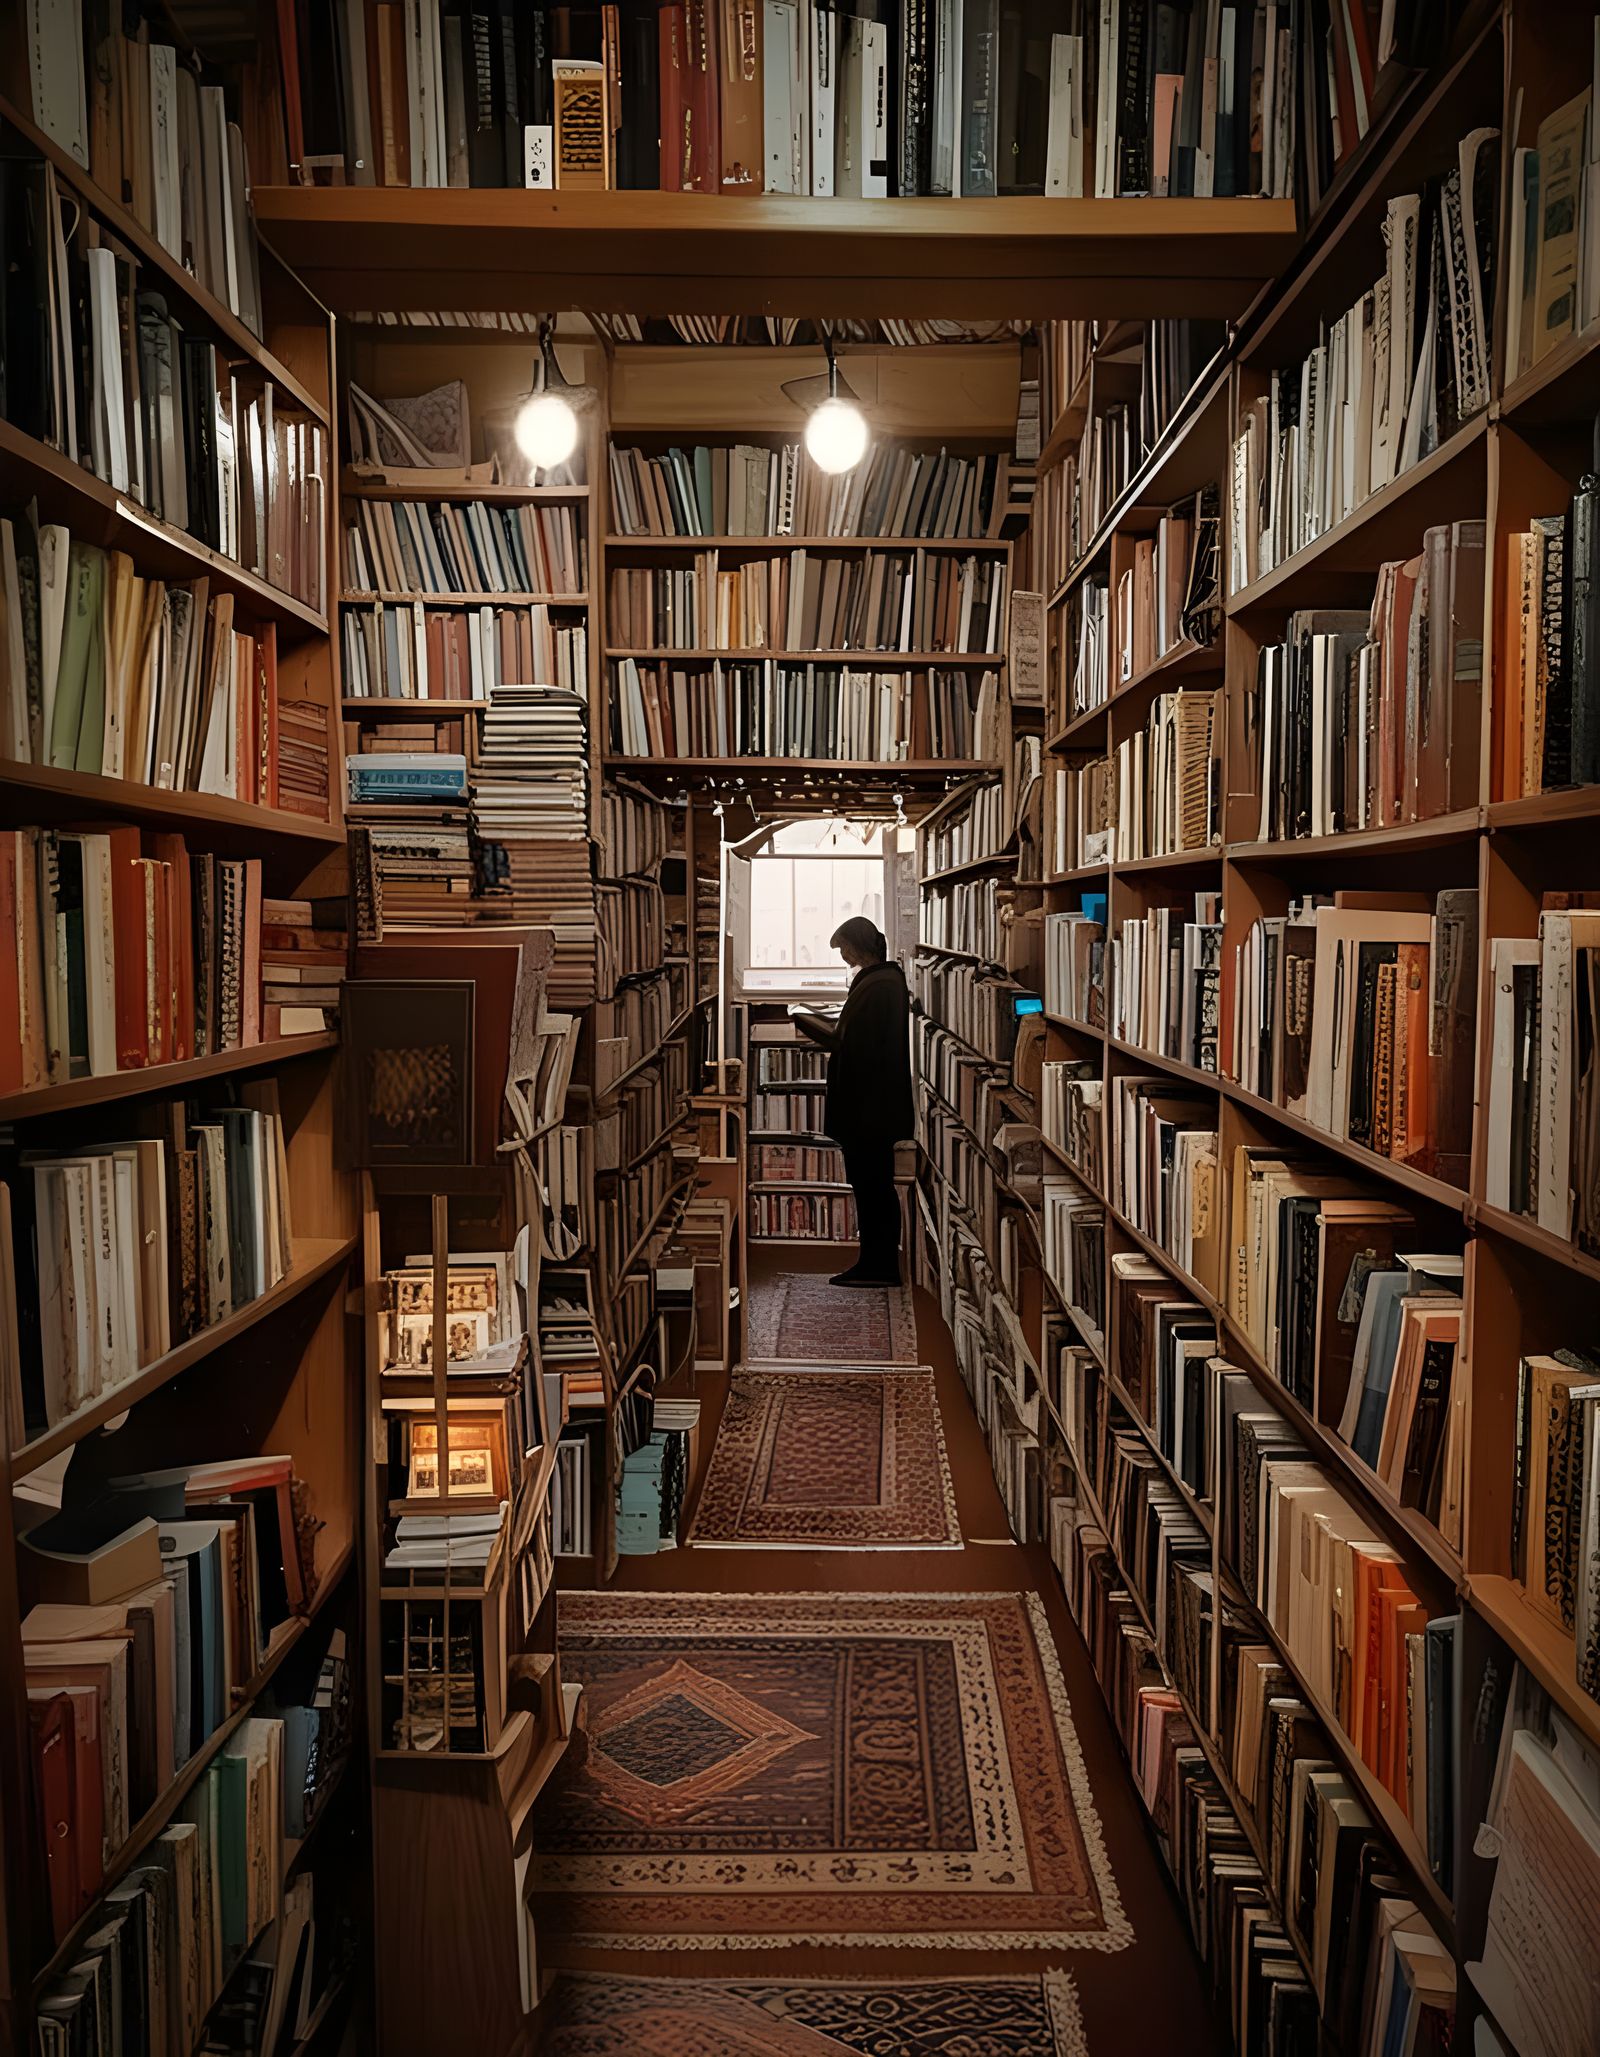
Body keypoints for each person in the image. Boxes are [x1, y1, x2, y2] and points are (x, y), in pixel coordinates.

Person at [791, 915, 914, 1287]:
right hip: (875, 1108)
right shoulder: (884, 980)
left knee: (871, 1188)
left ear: (858, 945)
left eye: (844, 948)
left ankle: (878, 1266)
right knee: (873, 1187)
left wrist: (801, 1018)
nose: (843, 955)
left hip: (869, 1111)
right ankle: (875, 1262)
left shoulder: (878, 985)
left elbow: (845, 1040)